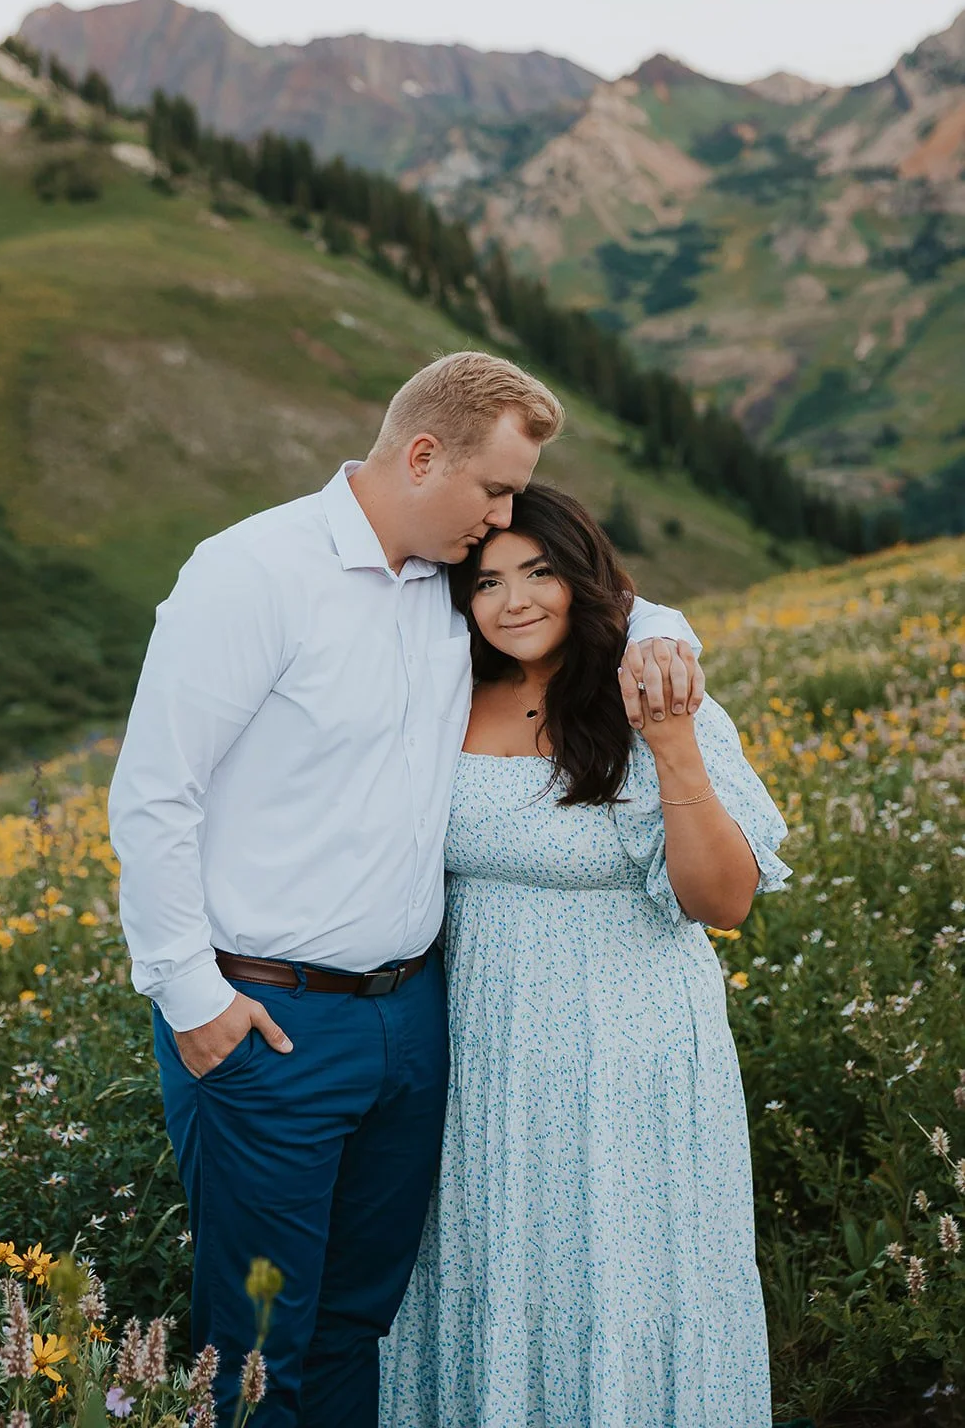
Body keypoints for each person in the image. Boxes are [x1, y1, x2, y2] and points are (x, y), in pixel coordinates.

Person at [108, 352, 705, 1428]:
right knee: (254, 1346)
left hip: (413, 1022)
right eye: (492, 490)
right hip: (265, 1018)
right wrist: (188, 998)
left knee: (355, 1324)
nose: (502, 516)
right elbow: (154, 793)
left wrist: (663, 629)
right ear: (421, 455)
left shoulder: (445, 579)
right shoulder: (252, 570)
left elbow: (591, 592)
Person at [379, 484, 791, 1428]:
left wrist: (673, 746)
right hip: (479, 1055)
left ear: (582, 577)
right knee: (486, 1274)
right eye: (487, 582)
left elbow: (722, 902)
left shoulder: (653, 691)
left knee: (627, 1279)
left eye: (539, 572)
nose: (515, 600)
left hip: (629, 1056)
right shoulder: (447, 698)